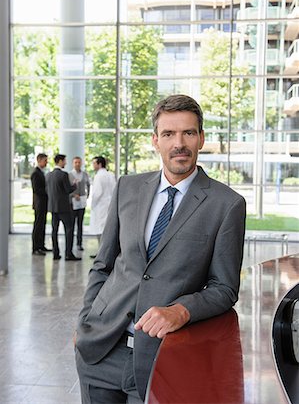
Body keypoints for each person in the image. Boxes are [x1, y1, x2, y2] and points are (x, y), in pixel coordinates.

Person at [75, 94, 246, 403]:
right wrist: (85, 321)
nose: (178, 143)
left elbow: (224, 288)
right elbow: (103, 264)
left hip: (160, 357)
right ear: (156, 140)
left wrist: (181, 311)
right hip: (100, 350)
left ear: (201, 138)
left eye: (188, 133)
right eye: (168, 134)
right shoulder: (127, 187)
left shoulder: (226, 205)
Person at [46, 154, 81, 261]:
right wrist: (74, 184)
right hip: (64, 208)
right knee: (69, 229)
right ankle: (68, 254)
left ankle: (55, 253)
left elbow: (47, 190)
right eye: (64, 161)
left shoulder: (48, 175)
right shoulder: (63, 175)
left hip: (53, 207)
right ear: (60, 161)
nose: (65, 163)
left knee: (54, 230)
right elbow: (68, 190)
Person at [89, 156, 116, 258]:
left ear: (99, 164)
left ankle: (101, 253)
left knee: (100, 230)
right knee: (107, 229)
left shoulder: (99, 176)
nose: (93, 165)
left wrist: (93, 204)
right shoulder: (110, 175)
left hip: (100, 206)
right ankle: (107, 252)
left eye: (94, 163)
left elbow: (97, 193)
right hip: (109, 205)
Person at [30, 153, 52, 256]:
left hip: (43, 203)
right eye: (45, 161)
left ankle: (41, 245)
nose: (46, 162)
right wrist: (48, 192)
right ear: (39, 160)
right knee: (38, 225)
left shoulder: (41, 172)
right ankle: (35, 248)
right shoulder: (36, 173)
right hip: (39, 202)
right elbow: (36, 189)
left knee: (42, 224)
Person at [69, 156, 90, 252]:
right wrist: (73, 195)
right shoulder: (69, 175)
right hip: (73, 203)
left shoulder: (85, 174)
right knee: (72, 224)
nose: (77, 164)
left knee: (80, 224)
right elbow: (67, 189)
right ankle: (70, 243)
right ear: (73, 164)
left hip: (82, 202)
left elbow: (88, 185)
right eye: (75, 162)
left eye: (79, 162)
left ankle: (79, 243)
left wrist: (87, 195)